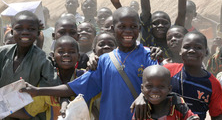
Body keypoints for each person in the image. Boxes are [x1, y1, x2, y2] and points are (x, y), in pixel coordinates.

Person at [21, 7, 158, 120]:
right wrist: (37, 91)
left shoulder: (149, 56)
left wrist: (144, 95)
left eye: (133, 26)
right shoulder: (104, 61)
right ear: (112, 28)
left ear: (139, 28)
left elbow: (160, 85)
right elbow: (75, 88)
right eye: (122, 26)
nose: (128, 31)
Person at [132, 32, 222, 120]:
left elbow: (217, 116)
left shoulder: (213, 84)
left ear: (206, 52)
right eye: (187, 47)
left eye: (198, 47)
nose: (191, 50)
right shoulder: (167, 71)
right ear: (180, 51)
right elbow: (150, 85)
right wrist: (142, 96)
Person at [22, 36, 85, 120]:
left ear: (78, 56)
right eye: (61, 51)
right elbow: (29, 112)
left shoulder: (84, 77)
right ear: (53, 56)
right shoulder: (46, 82)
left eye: (72, 51)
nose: (66, 54)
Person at [133, 65, 199, 120]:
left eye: (161, 86)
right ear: (142, 88)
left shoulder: (177, 104)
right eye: (149, 86)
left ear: (169, 89)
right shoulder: (141, 108)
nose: (155, 90)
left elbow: (191, 117)